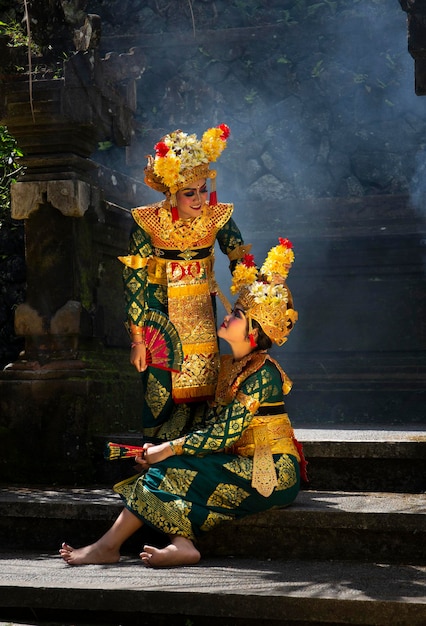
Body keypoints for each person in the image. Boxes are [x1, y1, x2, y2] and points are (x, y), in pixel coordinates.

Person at [60, 238, 307, 568]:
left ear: (253, 331)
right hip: (238, 461)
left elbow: (222, 435)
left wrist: (170, 448)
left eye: (236, 314)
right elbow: (206, 426)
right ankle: (181, 544)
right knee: (162, 471)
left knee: (168, 469)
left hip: (271, 470)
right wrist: (158, 448)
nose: (227, 315)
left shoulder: (264, 374)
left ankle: (107, 548)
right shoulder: (226, 366)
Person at [118, 124, 251, 442]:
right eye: (189, 192)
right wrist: (137, 339)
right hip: (158, 314)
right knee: (159, 387)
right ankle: (157, 455)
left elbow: (240, 258)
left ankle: (195, 452)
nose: (199, 198)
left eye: (203, 189)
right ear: (170, 193)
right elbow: (134, 280)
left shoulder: (217, 216)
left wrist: (251, 295)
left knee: (206, 384)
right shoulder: (147, 221)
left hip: (201, 312)